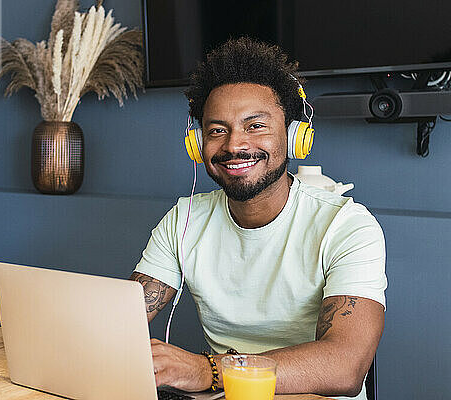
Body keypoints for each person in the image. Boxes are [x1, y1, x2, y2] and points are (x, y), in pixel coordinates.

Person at [130, 37, 387, 400]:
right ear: (197, 142)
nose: (234, 145)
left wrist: (207, 370)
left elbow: (345, 367)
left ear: (295, 136)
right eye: (217, 130)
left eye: (255, 126)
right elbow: (123, 324)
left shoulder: (346, 226)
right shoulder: (184, 220)